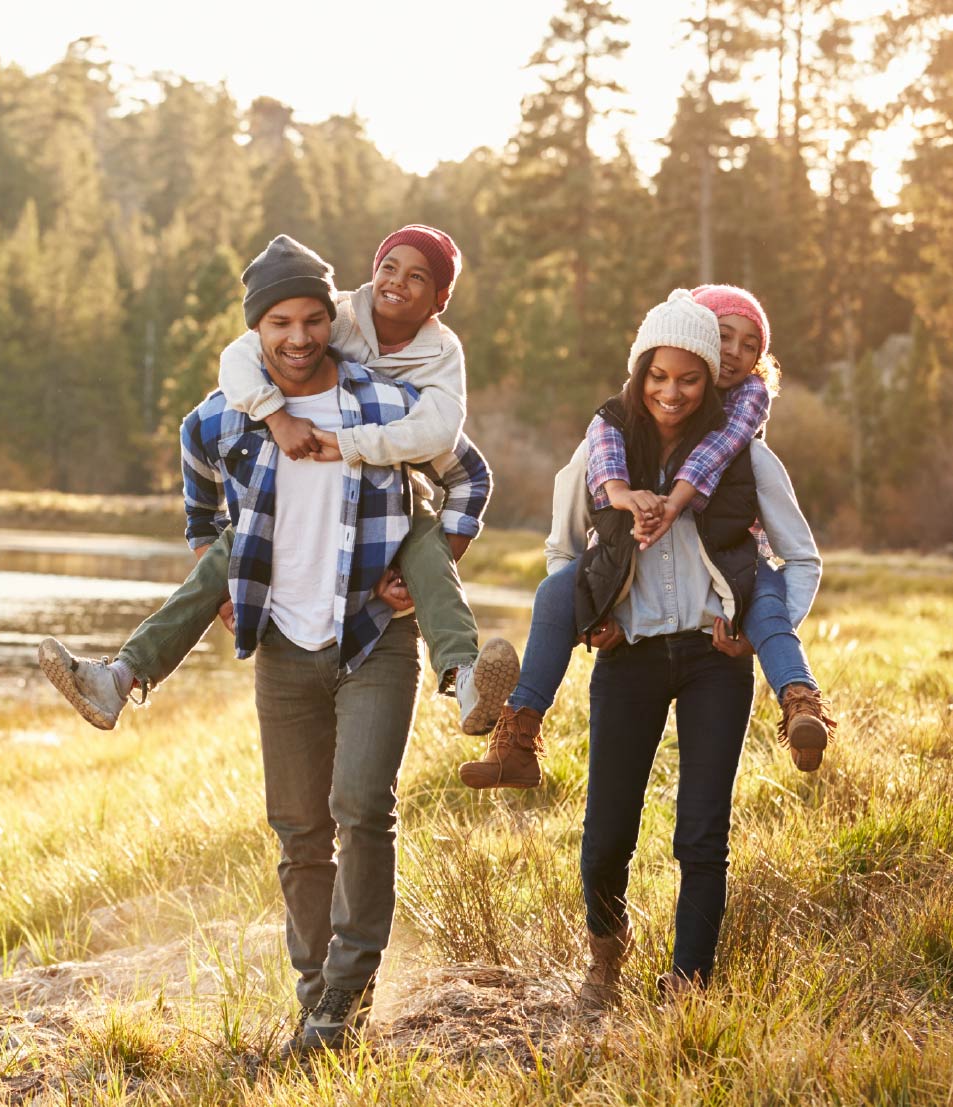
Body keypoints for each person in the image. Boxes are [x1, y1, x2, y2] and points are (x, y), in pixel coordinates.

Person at [173, 237, 494, 1055]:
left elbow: (468, 470)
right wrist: (217, 565)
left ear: (330, 321)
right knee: (296, 828)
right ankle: (315, 995)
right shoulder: (231, 409)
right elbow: (196, 470)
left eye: (313, 319)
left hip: (372, 633)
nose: (299, 336)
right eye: (279, 322)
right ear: (256, 330)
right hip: (282, 639)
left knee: (361, 807)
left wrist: (429, 564)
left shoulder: (384, 402)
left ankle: (345, 996)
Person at [39, 225, 517, 739]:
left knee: (425, 543)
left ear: (440, 299)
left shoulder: (437, 359)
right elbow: (240, 357)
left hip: (394, 500)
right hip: (288, 502)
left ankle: (464, 678)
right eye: (388, 267)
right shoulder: (332, 316)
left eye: (417, 276)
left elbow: (448, 439)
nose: (396, 282)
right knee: (231, 549)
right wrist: (274, 416)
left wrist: (421, 567)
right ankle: (120, 677)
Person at [529, 290, 821, 1006]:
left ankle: (688, 978)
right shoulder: (605, 449)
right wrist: (595, 616)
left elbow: (801, 558)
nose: (673, 389)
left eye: (689, 376)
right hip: (628, 656)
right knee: (605, 831)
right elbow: (561, 550)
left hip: (710, 660)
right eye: (661, 375)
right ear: (643, 371)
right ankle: (605, 956)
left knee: (701, 832)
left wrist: (753, 630)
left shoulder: (746, 456)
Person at [459, 284, 833, 791]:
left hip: (731, 578)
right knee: (554, 592)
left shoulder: (743, 425)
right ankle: (519, 732)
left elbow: (722, 460)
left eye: (750, 345)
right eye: (724, 338)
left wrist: (674, 502)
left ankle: (800, 699)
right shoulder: (614, 426)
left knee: (766, 599)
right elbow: (569, 531)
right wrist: (594, 613)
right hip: (628, 617)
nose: (735, 354)